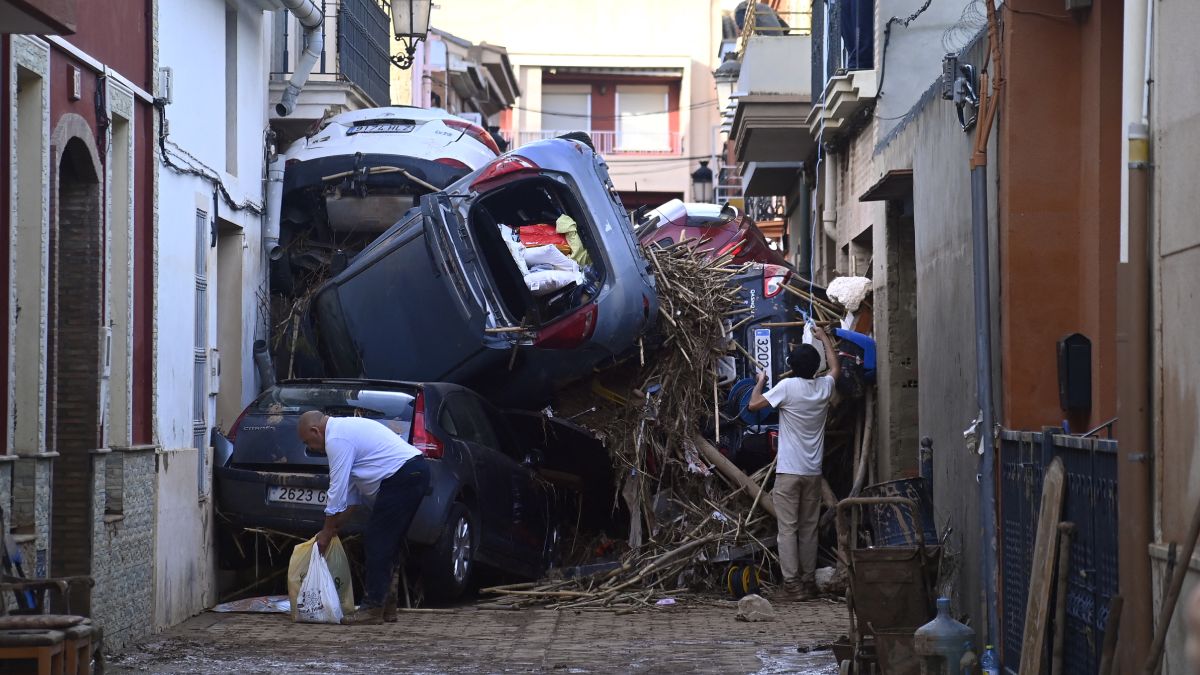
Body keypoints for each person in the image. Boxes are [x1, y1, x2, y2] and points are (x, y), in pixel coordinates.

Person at [297, 411, 430, 625]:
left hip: (403, 475)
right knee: (388, 543)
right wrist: (334, 528)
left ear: (315, 431)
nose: (310, 447)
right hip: (412, 473)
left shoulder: (336, 439)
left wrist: (327, 531)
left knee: (377, 541)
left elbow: (337, 490)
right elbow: (351, 497)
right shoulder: (343, 432)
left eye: (308, 442)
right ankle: (387, 607)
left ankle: (373, 608)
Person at [747, 327, 840, 600]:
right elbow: (835, 367)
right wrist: (824, 338)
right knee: (808, 528)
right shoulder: (824, 387)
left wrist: (761, 381)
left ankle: (792, 587)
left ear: (792, 367)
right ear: (815, 367)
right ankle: (809, 583)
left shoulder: (787, 387)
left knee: (787, 529)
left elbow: (753, 405)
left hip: (789, 472)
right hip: (813, 473)